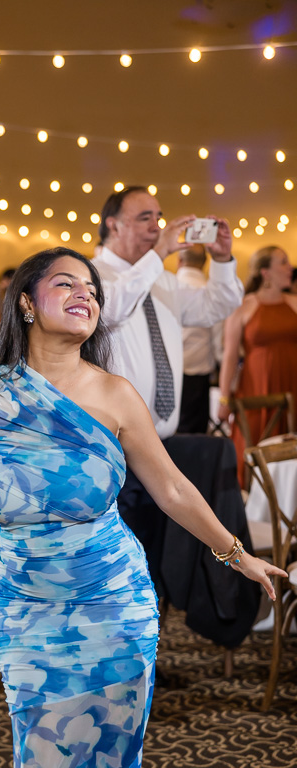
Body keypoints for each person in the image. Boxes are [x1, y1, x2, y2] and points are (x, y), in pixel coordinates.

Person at [0, 247, 283, 768]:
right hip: (28, 610)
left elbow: (172, 489)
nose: (86, 296)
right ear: (26, 303)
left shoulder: (116, 395)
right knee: (41, 754)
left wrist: (237, 554)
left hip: (115, 603)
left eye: (93, 291)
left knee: (115, 753)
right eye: (67, 285)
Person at [92, 187, 244, 591]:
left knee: (157, 558)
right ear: (113, 225)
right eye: (145, 218)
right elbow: (111, 309)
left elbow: (219, 305)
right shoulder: (90, 275)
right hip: (115, 448)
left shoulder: (165, 281)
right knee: (120, 564)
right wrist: (156, 254)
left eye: (159, 216)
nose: (157, 226)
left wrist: (223, 259)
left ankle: (150, 639)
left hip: (163, 445)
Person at [218, 245, 297, 487]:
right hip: (256, 386)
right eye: (283, 262)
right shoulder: (244, 306)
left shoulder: (294, 303)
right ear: (266, 273)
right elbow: (230, 356)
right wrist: (224, 398)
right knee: (253, 441)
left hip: (292, 384)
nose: (290, 268)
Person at [176, 244, 224, 434]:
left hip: (164, 371)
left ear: (179, 261)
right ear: (204, 263)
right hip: (197, 374)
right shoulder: (211, 293)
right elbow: (218, 341)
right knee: (194, 433)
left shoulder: (164, 288)